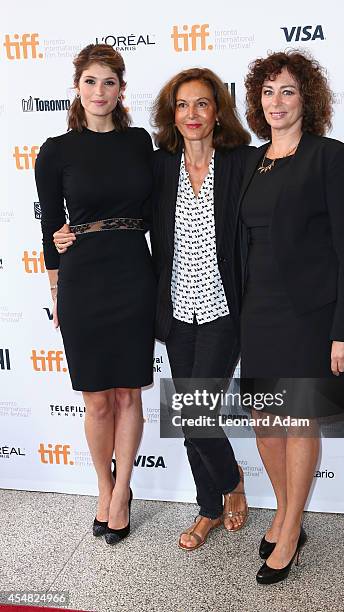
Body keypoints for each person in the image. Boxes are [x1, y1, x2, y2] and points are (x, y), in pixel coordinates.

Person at [240, 50, 344, 584]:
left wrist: (343, 331)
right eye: (268, 92)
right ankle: (289, 512)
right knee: (266, 426)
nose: (276, 102)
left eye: (287, 91)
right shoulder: (250, 160)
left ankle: (288, 529)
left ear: (306, 99)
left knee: (295, 420)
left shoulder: (330, 156)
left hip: (308, 314)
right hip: (256, 312)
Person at [35, 44, 156, 545]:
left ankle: (123, 491)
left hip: (132, 269)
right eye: (90, 82)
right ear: (77, 88)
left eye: (109, 82)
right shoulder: (56, 150)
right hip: (83, 277)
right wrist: (56, 287)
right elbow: (49, 226)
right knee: (96, 400)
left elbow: (155, 209)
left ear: (121, 90)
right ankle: (102, 488)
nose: (99, 91)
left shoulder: (139, 142)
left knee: (128, 392)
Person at [150, 68, 251, 550]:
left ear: (217, 113)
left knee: (194, 415)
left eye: (202, 104)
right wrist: (70, 232)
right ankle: (208, 509)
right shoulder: (160, 166)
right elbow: (120, 209)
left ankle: (231, 484)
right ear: (173, 115)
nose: (192, 114)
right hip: (176, 314)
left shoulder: (239, 163)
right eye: (183, 105)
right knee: (191, 419)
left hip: (221, 310)